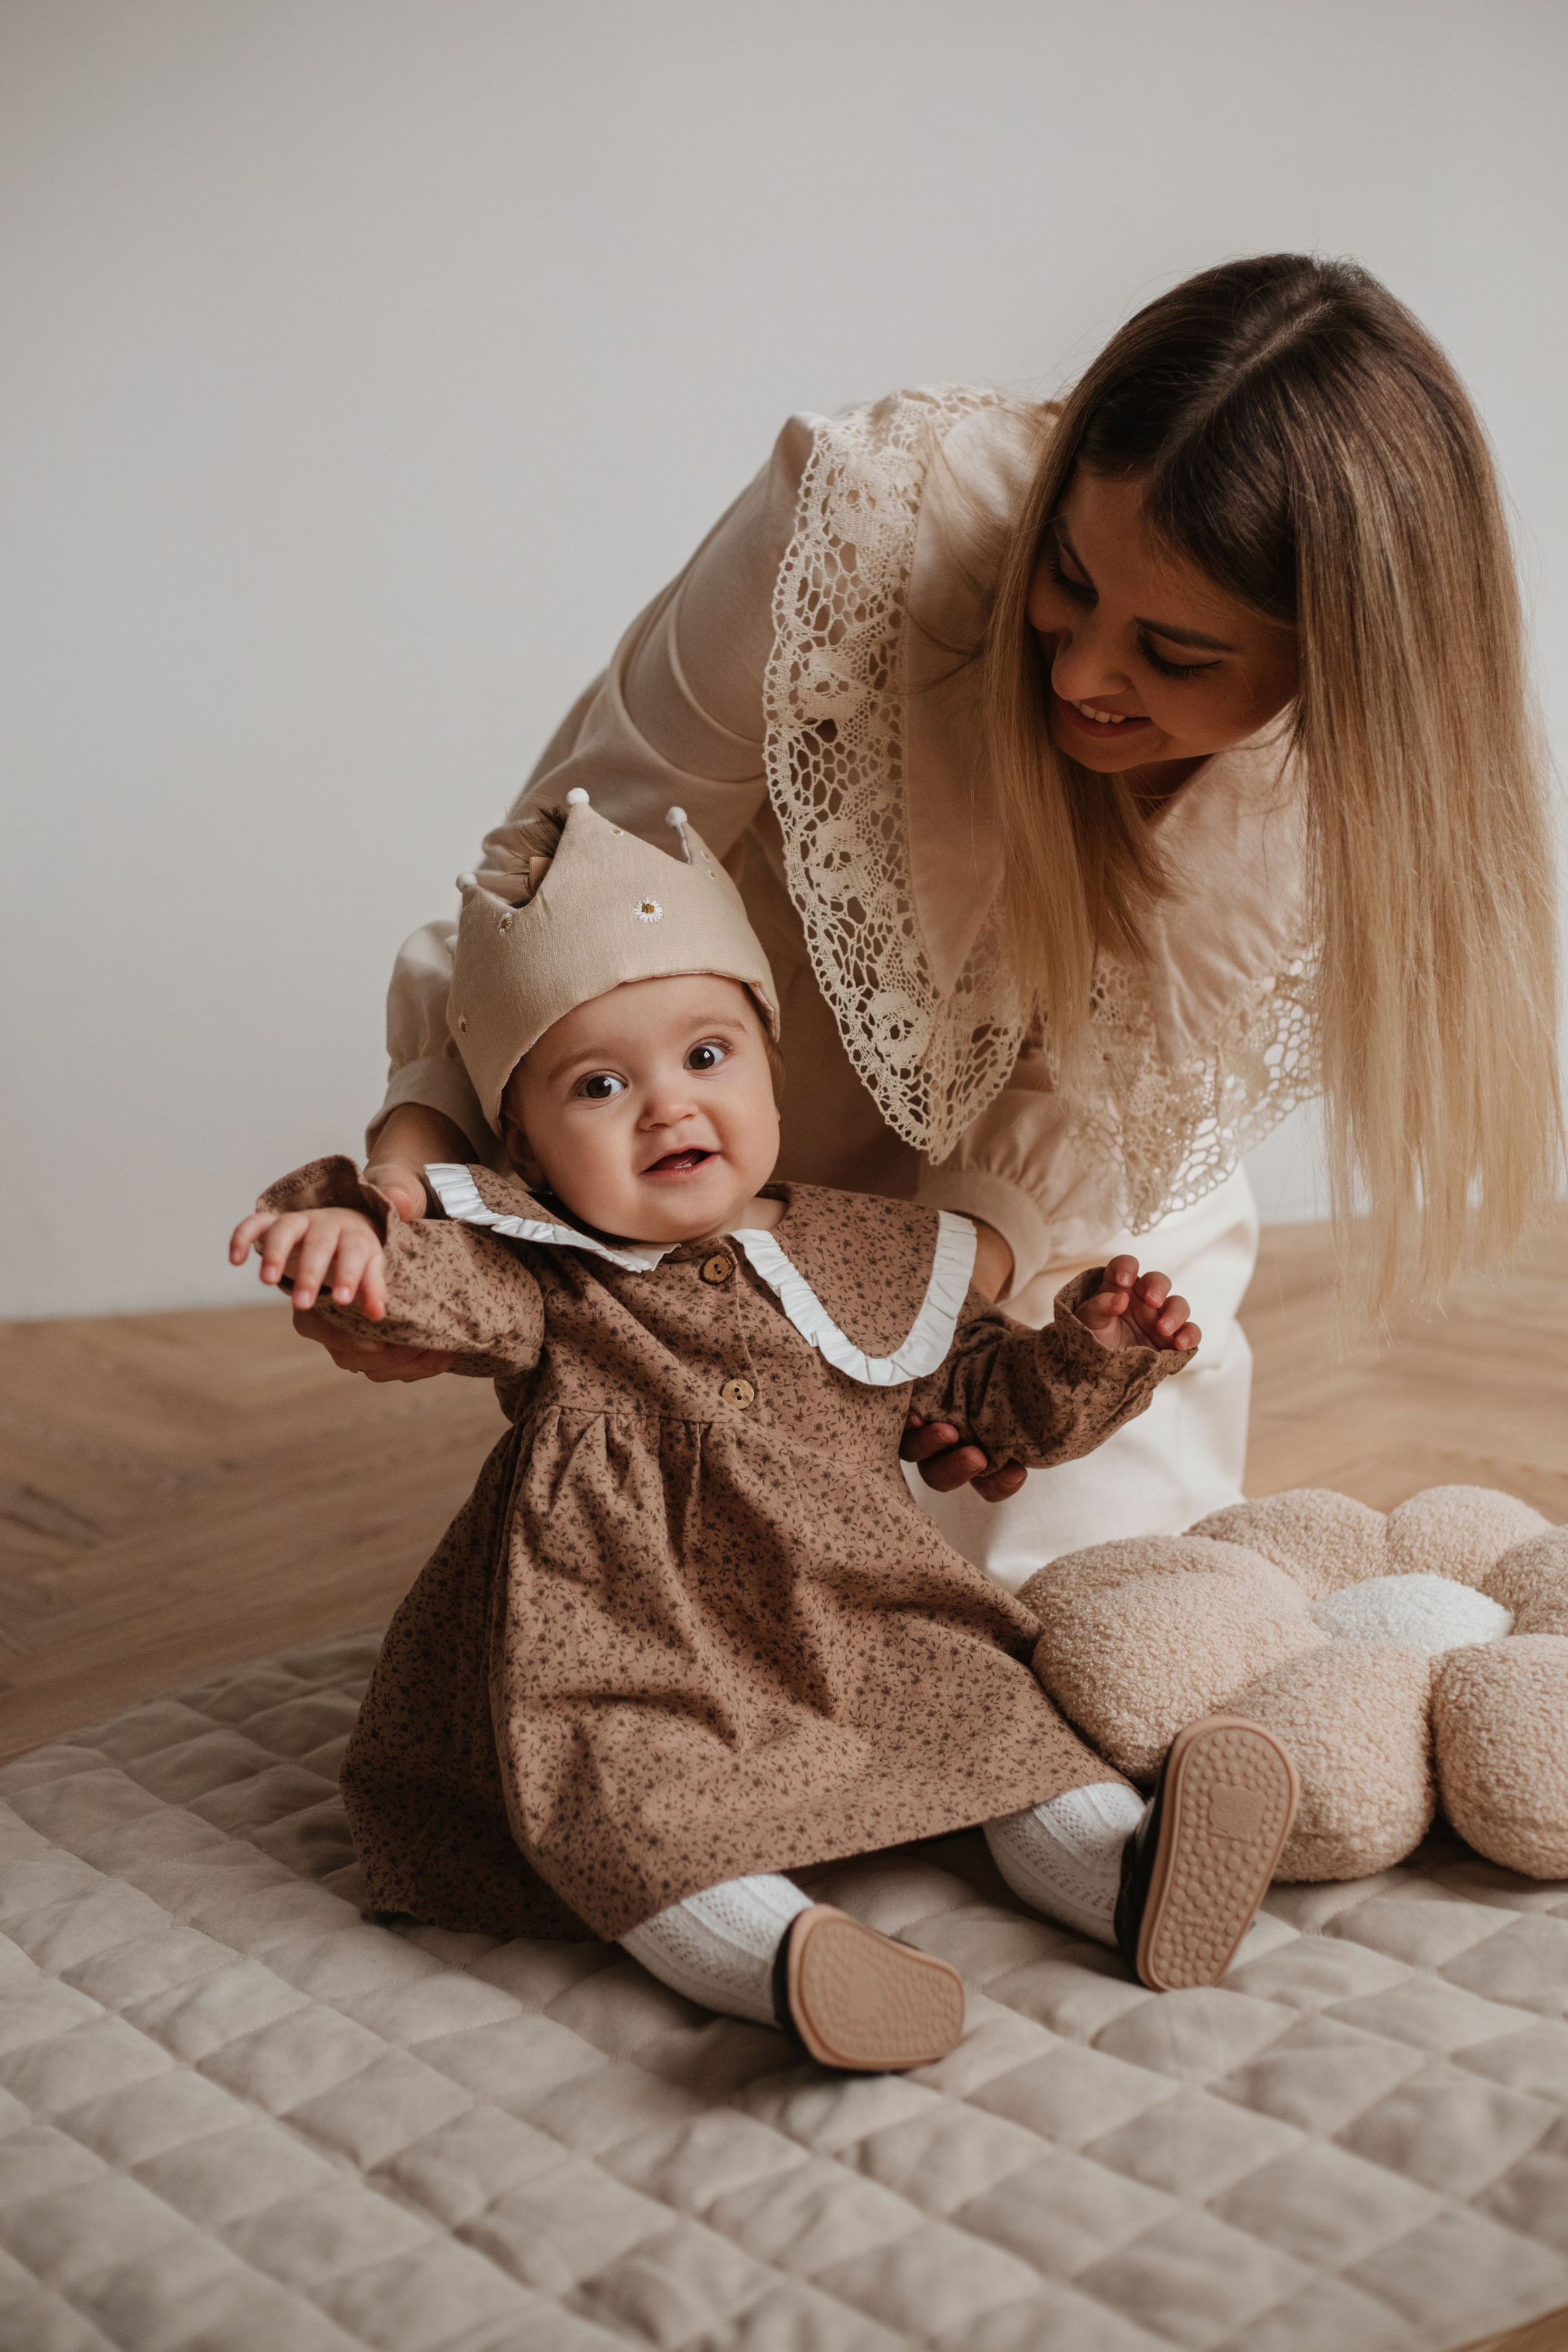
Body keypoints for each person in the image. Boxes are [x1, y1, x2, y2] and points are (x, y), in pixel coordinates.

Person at [295, 251, 1561, 1599]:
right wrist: (422, 1173)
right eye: (1067, 580)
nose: (1079, 672)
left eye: (1175, 656)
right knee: (714, 1596)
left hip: (1048, 1196)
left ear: (1332, 667)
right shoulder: (867, 522)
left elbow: (1087, 1113)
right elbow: (573, 869)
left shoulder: (1331, 795)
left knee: (1103, 1616)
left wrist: (958, 1314)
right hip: (723, 1111)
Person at [231, 795, 1298, 2070]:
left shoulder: (861, 1251)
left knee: (988, 1703)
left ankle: (1121, 1872)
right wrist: (350, 1235)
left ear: (769, 1071)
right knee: (614, 1792)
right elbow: (431, 1280)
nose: (665, 1108)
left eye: (705, 1056)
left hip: (853, 1609)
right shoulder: (545, 1273)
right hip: (625, 1636)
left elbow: (973, 1403)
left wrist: (1087, 1354)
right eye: (598, 1084)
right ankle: (782, 1961)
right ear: (520, 1145)